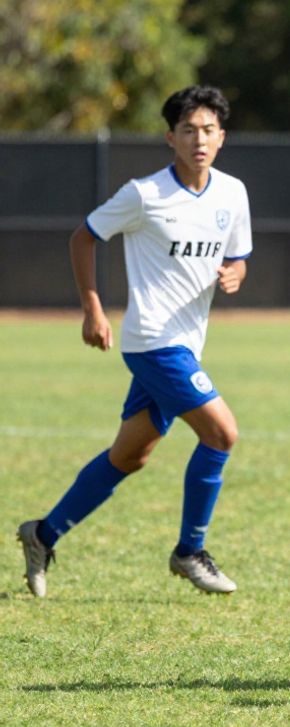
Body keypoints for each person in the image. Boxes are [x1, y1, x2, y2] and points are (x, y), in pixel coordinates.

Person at [16, 85, 252, 597]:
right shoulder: (144, 194)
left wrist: (235, 273)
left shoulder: (232, 193)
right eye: (188, 130)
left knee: (130, 456)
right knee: (221, 434)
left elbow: (238, 258)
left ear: (222, 137)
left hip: (188, 344)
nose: (199, 139)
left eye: (208, 129)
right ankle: (190, 551)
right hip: (151, 340)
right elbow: (83, 237)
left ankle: (42, 533)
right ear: (170, 137)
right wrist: (92, 307)